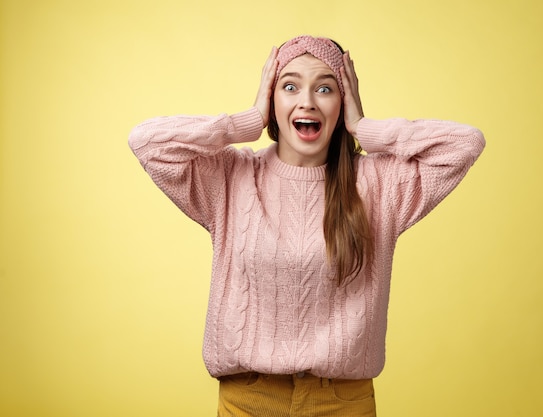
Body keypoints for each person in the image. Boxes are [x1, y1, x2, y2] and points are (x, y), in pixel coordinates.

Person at [129, 35, 485, 417]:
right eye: (290, 86)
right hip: (249, 400)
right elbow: (147, 142)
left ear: (342, 103)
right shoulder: (231, 178)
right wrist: (245, 122)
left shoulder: (379, 185)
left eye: (325, 88)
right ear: (273, 100)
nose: (307, 101)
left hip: (343, 402)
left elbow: (464, 144)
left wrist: (364, 129)